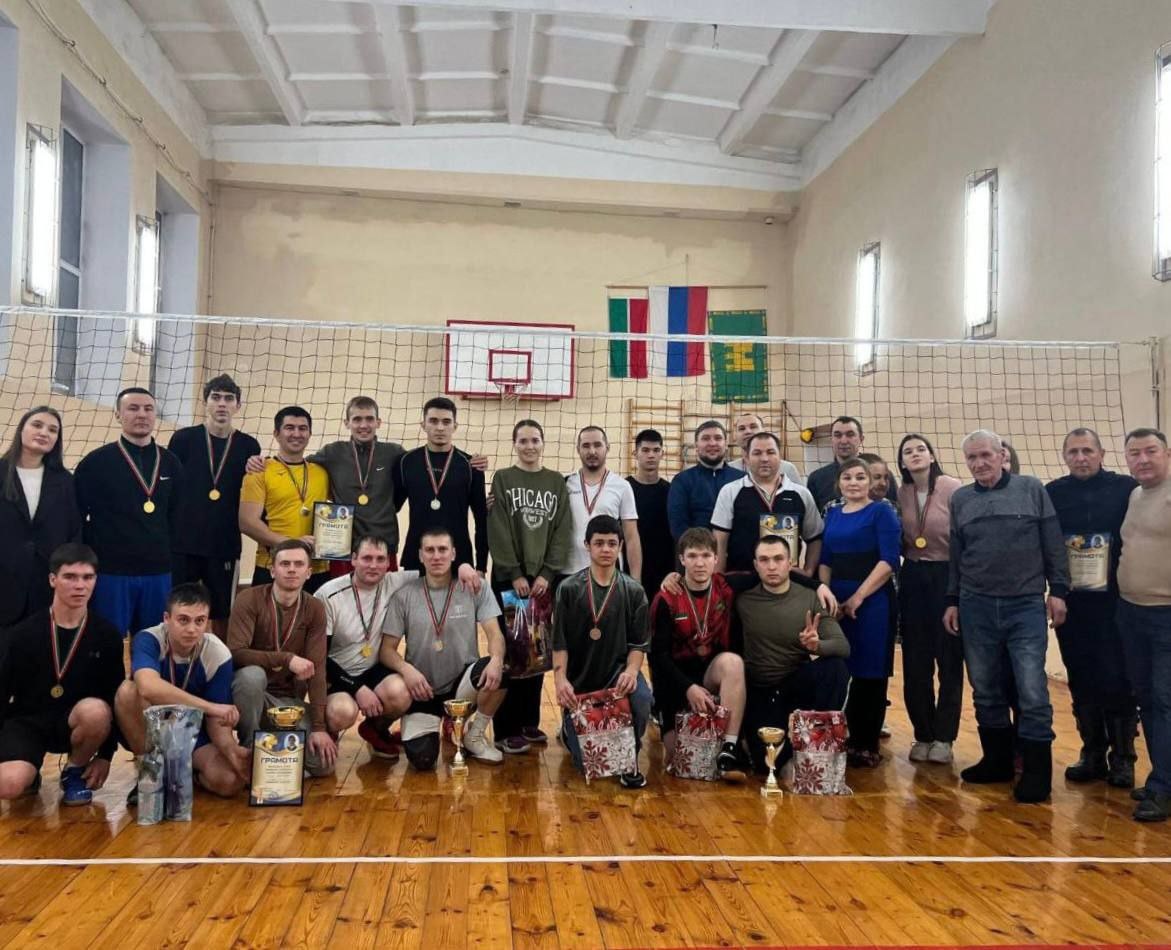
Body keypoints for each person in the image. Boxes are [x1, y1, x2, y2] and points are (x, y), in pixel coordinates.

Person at [944, 429, 1069, 803]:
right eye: (972, 457)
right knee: (985, 687)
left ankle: (1036, 773)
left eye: (986, 454)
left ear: (1002, 455)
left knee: (1032, 690)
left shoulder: (1031, 489)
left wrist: (1058, 590)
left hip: (1024, 604)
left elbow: (1053, 544)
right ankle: (997, 761)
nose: (980, 463)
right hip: (975, 605)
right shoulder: (961, 499)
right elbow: (957, 556)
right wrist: (953, 599)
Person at [315, 536, 480, 761]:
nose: (373, 565)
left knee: (402, 693)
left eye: (380, 559)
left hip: (373, 669)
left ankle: (375, 728)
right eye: (366, 558)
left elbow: (435, 565)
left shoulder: (395, 581)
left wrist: (463, 566)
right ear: (353, 559)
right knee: (342, 711)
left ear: (388, 563)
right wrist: (357, 689)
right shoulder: (328, 595)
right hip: (337, 673)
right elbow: (318, 656)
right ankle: (326, 732)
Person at [1045, 427, 1137, 786]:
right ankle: (1092, 753)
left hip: (1117, 602)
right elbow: (1049, 547)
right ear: (1065, 457)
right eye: (1073, 452)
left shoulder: (1126, 489)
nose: (1080, 458)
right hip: (1073, 604)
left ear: (1101, 454)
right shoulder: (1053, 493)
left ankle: (1124, 758)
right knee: (1081, 677)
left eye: (1087, 451)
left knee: (1117, 677)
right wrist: (1056, 592)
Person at [0, 544, 123, 805]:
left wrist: (106, 755)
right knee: (9, 784)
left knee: (96, 711)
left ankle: (74, 772)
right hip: (28, 723)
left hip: (75, 722)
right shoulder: (23, 634)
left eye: (87, 577)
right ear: (52, 579)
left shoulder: (107, 635)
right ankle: (28, 772)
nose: (80, 586)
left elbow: (114, 698)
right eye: (70, 577)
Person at [379, 527, 507, 769]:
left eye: (442, 550)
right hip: (421, 689)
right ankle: (435, 724)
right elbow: (386, 650)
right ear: (420, 555)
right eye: (430, 550)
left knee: (502, 667)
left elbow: (494, 634)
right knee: (423, 760)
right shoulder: (404, 595)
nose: (436, 556)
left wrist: (497, 660)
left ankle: (474, 734)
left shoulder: (474, 587)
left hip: (462, 686)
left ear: (453, 554)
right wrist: (407, 671)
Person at [486, 419, 574, 754]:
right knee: (512, 652)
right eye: (523, 440)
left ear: (543, 443)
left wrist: (547, 574)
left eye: (535, 440)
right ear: (514, 444)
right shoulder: (503, 478)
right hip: (511, 580)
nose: (529, 446)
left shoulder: (555, 482)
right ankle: (505, 728)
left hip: (541, 583)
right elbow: (499, 527)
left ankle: (528, 722)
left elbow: (562, 529)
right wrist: (514, 574)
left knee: (536, 652)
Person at [115, 582, 250, 799]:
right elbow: (148, 686)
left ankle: (184, 775)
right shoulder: (149, 639)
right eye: (183, 620)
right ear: (167, 618)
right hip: (149, 729)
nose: (192, 629)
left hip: (192, 733)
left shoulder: (217, 652)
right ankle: (150, 774)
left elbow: (217, 722)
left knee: (230, 781)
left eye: (200, 621)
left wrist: (230, 749)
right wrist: (210, 707)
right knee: (128, 692)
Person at [553, 514, 652, 789]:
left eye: (611, 543)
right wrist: (560, 680)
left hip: (617, 677)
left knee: (643, 698)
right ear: (587, 545)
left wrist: (631, 671)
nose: (606, 549)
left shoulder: (634, 591)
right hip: (581, 682)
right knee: (584, 764)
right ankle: (569, 729)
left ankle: (630, 753)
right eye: (599, 543)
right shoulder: (568, 589)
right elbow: (559, 642)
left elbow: (639, 645)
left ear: (620, 546)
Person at [74, 387, 183, 636]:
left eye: (148, 409)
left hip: (158, 571)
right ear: (117, 415)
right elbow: (77, 517)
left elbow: (178, 518)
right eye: (133, 408)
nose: (142, 414)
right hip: (111, 572)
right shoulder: (95, 463)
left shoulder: (171, 463)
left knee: (154, 642)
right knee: (107, 641)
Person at [738, 535, 850, 770]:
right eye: (764, 560)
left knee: (835, 668)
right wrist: (673, 577)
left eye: (778, 559)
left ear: (790, 563)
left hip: (794, 687)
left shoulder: (810, 597)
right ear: (755, 565)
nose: (771, 566)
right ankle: (776, 751)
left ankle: (815, 746)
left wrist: (817, 646)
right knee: (766, 765)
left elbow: (842, 646)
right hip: (757, 691)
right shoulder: (741, 598)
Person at [227, 539, 335, 777]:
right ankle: (250, 748)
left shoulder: (314, 608)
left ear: (309, 572)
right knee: (251, 676)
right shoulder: (250, 599)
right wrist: (286, 659)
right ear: (272, 570)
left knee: (323, 764)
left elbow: (318, 669)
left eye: (299, 564)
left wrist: (319, 728)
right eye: (285, 564)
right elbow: (235, 653)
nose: (292, 569)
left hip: (286, 703)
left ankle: (275, 751)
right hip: (250, 698)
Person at [818, 459, 900, 767]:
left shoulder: (881, 512)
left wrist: (857, 598)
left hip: (873, 601)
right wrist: (828, 599)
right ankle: (841, 736)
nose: (854, 482)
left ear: (871, 482)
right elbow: (825, 559)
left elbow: (889, 560)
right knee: (842, 667)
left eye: (860, 477)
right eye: (848, 477)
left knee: (871, 670)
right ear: (839, 482)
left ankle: (866, 742)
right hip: (837, 602)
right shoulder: (833, 514)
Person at [649, 527, 748, 779]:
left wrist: (818, 585)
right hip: (675, 683)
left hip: (710, 674)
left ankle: (729, 748)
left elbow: (772, 574)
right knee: (680, 761)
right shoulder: (666, 598)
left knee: (733, 663)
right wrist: (687, 688)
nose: (700, 563)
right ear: (681, 559)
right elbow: (658, 657)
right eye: (692, 556)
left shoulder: (726, 586)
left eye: (705, 556)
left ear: (716, 558)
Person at [167, 375, 262, 635]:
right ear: (205, 402)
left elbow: (254, 490)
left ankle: (221, 657)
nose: (222, 404)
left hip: (224, 544)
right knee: (177, 607)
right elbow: (170, 489)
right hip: (182, 543)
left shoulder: (249, 445)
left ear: (237, 406)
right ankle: (172, 656)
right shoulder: (183, 439)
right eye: (216, 397)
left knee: (223, 612)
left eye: (229, 399)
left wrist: (257, 468)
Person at [896, 433, 964, 765]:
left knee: (949, 661)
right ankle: (922, 733)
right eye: (908, 451)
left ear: (932, 456)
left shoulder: (953, 488)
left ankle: (944, 737)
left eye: (921, 449)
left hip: (946, 575)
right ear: (902, 462)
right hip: (912, 576)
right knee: (915, 662)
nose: (915, 454)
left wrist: (957, 593)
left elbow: (963, 538)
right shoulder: (901, 493)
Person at [1116, 427, 1171, 821]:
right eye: (1134, 453)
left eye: (1151, 451)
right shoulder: (1135, 495)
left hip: (1166, 615)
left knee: (1166, 702)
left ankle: (1163, 787)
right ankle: (1162, 777)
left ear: (1167, 454)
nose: (1143, 459)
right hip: (1131, 612)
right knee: (1148, 700)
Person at [0, 406, 82, 627]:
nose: (44, 432)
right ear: (21, 430)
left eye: (53, 430)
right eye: (37, 425)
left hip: (45, 587)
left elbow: (73, 531)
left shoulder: (65, 481)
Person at [239, 406, 331, 592]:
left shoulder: (322, 473)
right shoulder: (259, 471)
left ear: (309, 434)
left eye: (302, 428)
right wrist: (293, 545)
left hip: (316, 569)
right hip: (273, 566)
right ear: (276, 433)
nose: (296, 434)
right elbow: (247, 523)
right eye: (289, 428)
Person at [396, 398, 489, 576]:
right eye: (433, 421)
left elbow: (482, 521)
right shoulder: (406, 462)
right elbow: (391, 507)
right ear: (423, 425)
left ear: (455, 426)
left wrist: (481, 567)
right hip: (416, 557)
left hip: (459, 559)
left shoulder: (471, 466)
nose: (440, 427)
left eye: (446, 422)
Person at [711, 432, 823, 575]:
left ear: (780, 456)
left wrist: (808, 571)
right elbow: (719, 541)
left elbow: (815, 538)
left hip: (788, 581)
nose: (764, 459)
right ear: (746, 458)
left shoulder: (801, 494)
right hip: (743, 580)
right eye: (757, 453)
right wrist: (719, 578)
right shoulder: (730, 491)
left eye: (770, 452)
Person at [564, 426, 642, 580]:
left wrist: (635, 581)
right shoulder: (565, 484)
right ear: (578, 449)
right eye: (586, 446)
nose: (592, 451)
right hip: (569, 571)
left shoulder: (622, 486)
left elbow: (631, 537)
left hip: (608, 573)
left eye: (597, 445)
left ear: (607, 447)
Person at [667, 420, 742, 540]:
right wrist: (701, 549)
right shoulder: (682, 481)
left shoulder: (742, 479)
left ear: (726, 445)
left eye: (718, 438)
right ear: (696, 446)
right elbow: (678, 526)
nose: (712, 443)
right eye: (706, 438)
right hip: (696, 550)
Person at [806, 416, 897, 512]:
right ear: (831, 439)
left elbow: (896, 511)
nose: (843, 441)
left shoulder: (882, 475)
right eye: (837, 435)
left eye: (850, 435)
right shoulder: (816, 479)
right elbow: (814, 519)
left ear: (861, 439)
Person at [626, 429, 674, 597]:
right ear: (635, 453)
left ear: (662, 454)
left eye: (656, 450)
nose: (651, 455)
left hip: (665, 572)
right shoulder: (624, 488)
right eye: (645, 450)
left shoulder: (671, 491)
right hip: (631, 570)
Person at [730, 413, 804, 484]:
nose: (747, 431)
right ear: (735, 436)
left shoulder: (787, 469)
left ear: (763, 431)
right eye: (742, 428)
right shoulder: (729, 469)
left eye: (753, 427)